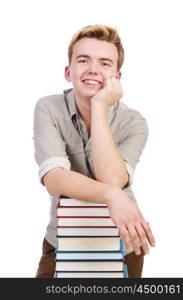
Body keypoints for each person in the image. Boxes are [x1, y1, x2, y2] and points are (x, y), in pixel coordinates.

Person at [33, 24, 155, 278]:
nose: (93, 70)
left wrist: (99, 107)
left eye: (105, 63)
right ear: (68, 71)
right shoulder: (48, 108)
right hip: (62, 242)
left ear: (117, 78)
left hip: (122, 243)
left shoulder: (135, 123)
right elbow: (54, 179)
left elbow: (111, 179)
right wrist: (113, 196)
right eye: (83, 60)